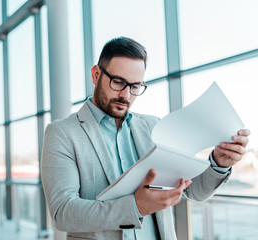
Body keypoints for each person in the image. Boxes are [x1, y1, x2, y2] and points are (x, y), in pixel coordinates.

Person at [41, 37, 250, 240]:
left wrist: (219, 163)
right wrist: (136, 206)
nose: (126, 95)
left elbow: (193, 190)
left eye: (135, 86)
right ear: (96, 75)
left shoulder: (153, 127)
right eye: (118, 82)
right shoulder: (62, 133)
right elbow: (63, 213)